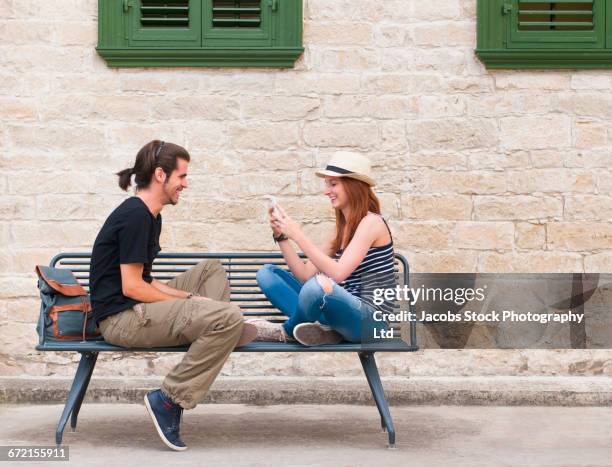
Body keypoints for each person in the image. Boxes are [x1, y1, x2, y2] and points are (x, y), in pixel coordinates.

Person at [90, 140, 256, 451]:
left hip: (138, 308)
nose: (185, 184)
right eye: (182, 176)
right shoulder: (135, 216)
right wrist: (188, 303)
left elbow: (147, 280)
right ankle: (168, 399)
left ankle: (214, 329)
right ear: (160, 175)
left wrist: (190, 299)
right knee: (229, 316)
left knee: (211, 269)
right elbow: (132, 288)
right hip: (121, 319)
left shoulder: (151, 215)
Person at [248, 152, 396, 346]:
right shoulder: (340, 229)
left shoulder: (372, 222)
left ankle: (285, 331)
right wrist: (281, 235)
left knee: (319, 286)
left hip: (372, 323)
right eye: (327, 184)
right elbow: (303, 275)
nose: (327, 191)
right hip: (344, 317)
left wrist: (298, 234)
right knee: (267, 274)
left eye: (333, 184)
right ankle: (329, 332)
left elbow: (339, 273)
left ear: (354, 186)